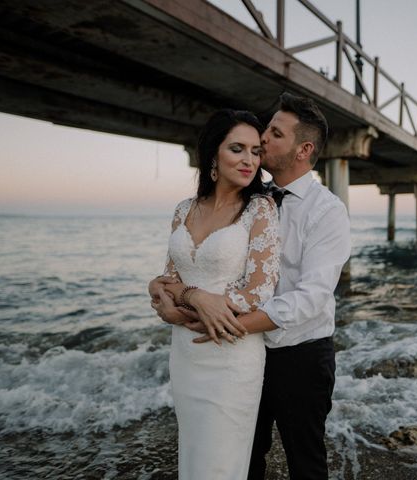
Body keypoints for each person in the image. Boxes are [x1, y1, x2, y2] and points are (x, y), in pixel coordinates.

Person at [154, 93, 351, 479]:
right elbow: (188, 266)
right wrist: (167, 291)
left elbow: (311, 298)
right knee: (244, 460)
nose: (262, 139)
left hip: (299, 353)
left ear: (303, 149)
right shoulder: (249, 200)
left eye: (274, 134)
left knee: (305, 461)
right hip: (241, 349)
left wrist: (224, 322)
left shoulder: (327, 211)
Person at [148, 109, 281, 479]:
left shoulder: (260, 208)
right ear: (213, 154)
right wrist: (164, 290)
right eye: (237, 148)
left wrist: (196, 299)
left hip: (230, 352)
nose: (249, 160)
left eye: (256, 151)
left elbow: (259, 290)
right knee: (193, 454)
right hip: (186, 352)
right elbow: (171, 277)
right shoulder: (183, 210)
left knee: (222, 464)